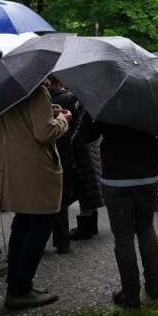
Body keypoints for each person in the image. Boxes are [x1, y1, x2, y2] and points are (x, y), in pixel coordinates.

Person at [73, 114, 158, 309]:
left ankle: (130, 294)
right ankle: (154, 286)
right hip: (146, 175)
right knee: (146, 228)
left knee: (124, 237)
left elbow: (86, 135)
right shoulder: (148, 92)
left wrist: (89, 109)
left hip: (116, 177)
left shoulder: (107, 96)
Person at [0, 78, 71, 309]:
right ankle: (21, 289)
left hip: (16, 168)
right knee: (40, 226)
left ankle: (16, 285)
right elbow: (45, 133)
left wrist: (49, 112)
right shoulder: (36, 91)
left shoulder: (6, 91)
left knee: (23, 224)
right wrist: (62, 120)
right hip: (36, 170)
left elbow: (24, 123)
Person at [48, 76, 78, 253]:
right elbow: (73, 124)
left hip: (44, 151)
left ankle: (41, 238)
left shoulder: (31, 97)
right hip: (64, 147)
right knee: (62, 196)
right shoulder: (68, 97)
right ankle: (62, 240)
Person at [67, 100, 104, 241]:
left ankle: (85, 228)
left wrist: (69, 146)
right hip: (93, 146)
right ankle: (91, 225)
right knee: (91, 188)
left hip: (85, 149)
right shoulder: (91, 100)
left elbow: (81, 128)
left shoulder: (85, 102)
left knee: (87, 188)